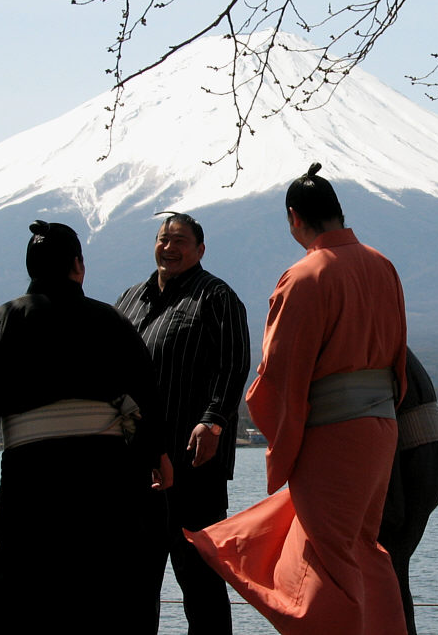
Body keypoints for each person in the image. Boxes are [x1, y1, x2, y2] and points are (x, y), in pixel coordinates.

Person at [187, 163, 409, 635]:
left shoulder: (306, 275)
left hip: (333, 432)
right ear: (337, 211)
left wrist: (270, 417)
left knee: (330, 559)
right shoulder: (381, 264)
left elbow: (281, 370)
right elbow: (397, 356)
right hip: (381, 428)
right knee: (363, 547)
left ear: (294, 218)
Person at [0, 220, 172, 635]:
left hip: (31, 476)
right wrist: (157, 454)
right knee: (105, 584)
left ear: (32, 269)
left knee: (26, 580)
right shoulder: (110, 322)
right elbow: (145, 395)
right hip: (105, 478)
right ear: (78, 266)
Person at [115, 211, 250, 635]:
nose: (169, 248)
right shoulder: (129, 300)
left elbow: (234, 365)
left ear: (200, 250)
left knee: (202, 583)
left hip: (195, 469)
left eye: (180, 241)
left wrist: (212, 422)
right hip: (136, 468)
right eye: (163, 239)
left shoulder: (216, 297)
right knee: (134, 584)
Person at [378, 348, 438, 635]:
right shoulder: (393, 337)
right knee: (395, 568)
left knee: (390, 565)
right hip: (433, 458)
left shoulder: (373, 336)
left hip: (409, 458)